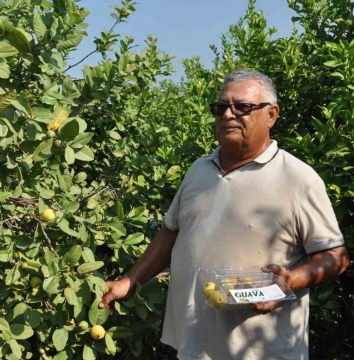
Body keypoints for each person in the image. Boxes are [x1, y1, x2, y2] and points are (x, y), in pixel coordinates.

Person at [100, 70, 349, 359]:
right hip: (187, 345)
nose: (228, 115)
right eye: (221, 107)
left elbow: (335, 256)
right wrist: (128, 283)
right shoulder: (199, 170)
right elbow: (171, 233)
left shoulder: (297, 178)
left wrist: (289, 281)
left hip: (258, 351)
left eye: (242, 107)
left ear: (271, 115)